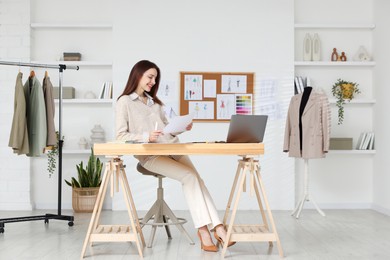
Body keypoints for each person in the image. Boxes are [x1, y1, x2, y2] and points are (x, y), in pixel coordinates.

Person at [116, 60, 235, 252]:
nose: (153, 82)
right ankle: (206, 230)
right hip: (151, 156)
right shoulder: (124, 102)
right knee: (189, 177)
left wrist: (180, 128)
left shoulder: (155, 103)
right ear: (138, 75)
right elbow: (120, 136)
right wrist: (145, 136)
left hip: (173, 148)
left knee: (197, 179)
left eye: (155, 78)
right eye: (150, 77)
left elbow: (166, 131)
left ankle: (218, 228)